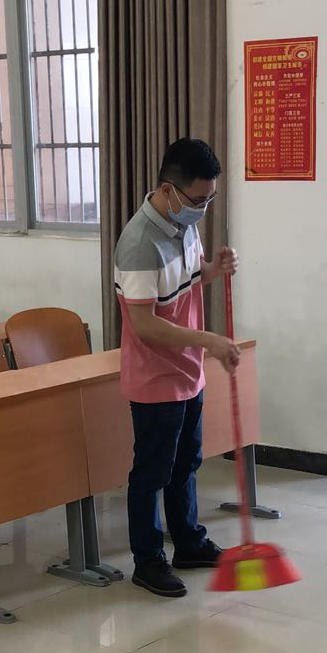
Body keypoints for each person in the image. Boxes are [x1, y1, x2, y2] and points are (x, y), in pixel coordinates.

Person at [114, 137, 239, 598]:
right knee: (152, 473)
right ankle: (148, 561)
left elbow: (187, 279)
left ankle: (189, 542)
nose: (203, 209)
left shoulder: (182, 225)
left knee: (186, 463)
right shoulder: (138, 244)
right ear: (168, 189)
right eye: (198, 199)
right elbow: (145, 324)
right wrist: (209, 341)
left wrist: (214, 270)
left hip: (188, 373)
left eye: (210, 199)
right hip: (156, 379)